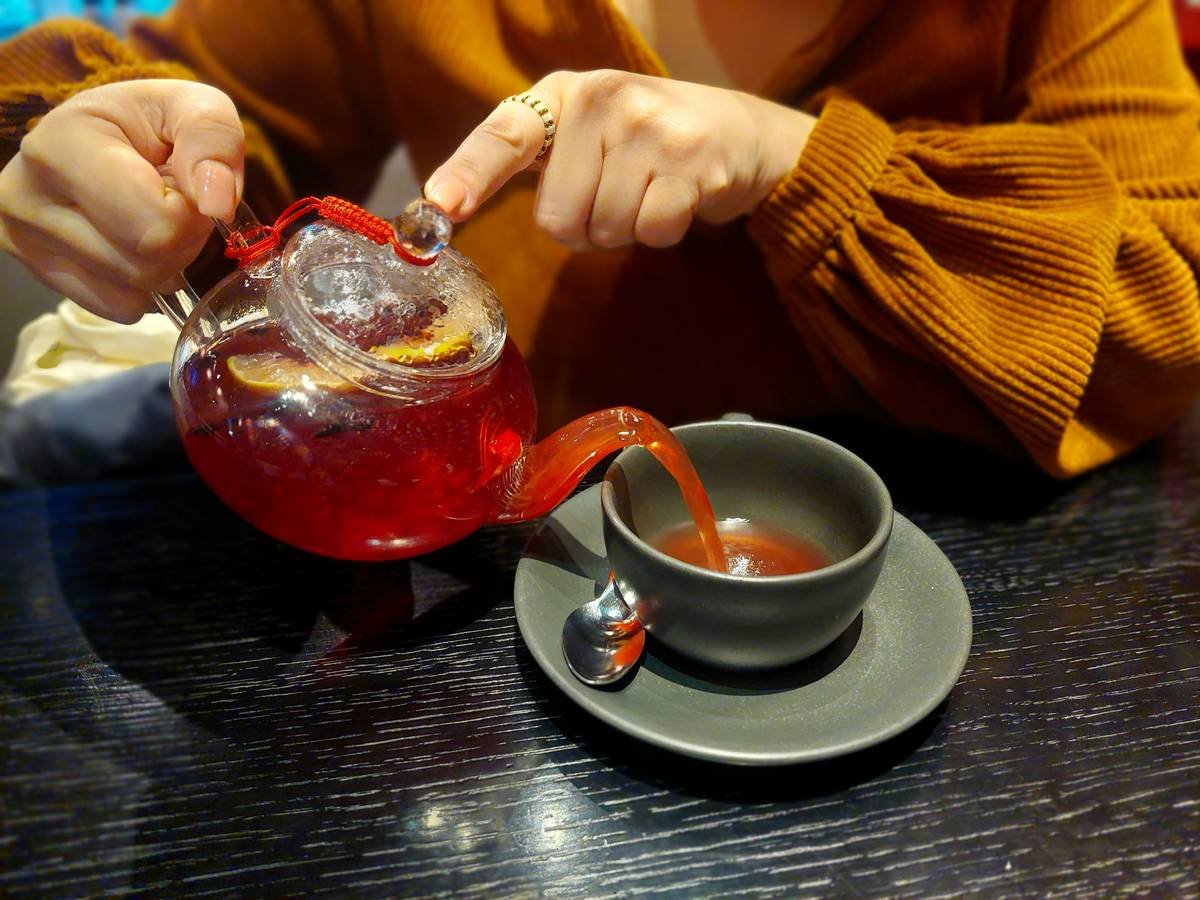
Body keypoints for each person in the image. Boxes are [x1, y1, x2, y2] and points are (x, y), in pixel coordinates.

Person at [0, 0, 1198, 479]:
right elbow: (209, 111)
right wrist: (116, 149)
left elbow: (1169, 304)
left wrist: (796, 162)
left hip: (918, 569)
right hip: (480, 575)